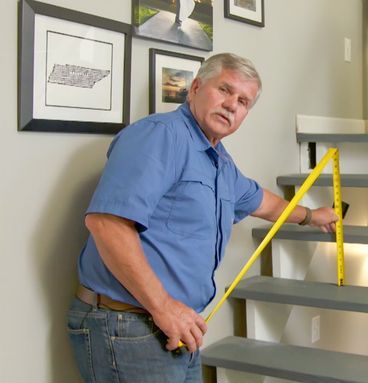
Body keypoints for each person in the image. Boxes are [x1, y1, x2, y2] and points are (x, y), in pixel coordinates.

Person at [67, 52, 338, 383]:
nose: (231, 105)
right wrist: (165, 308)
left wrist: (311, 215)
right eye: (224, 90)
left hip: (176, 326)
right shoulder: (161, 135)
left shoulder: (218, 161)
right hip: (128, 326)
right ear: (195, 88)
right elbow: (108, 225)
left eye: (243, 101)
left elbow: (262, 202)